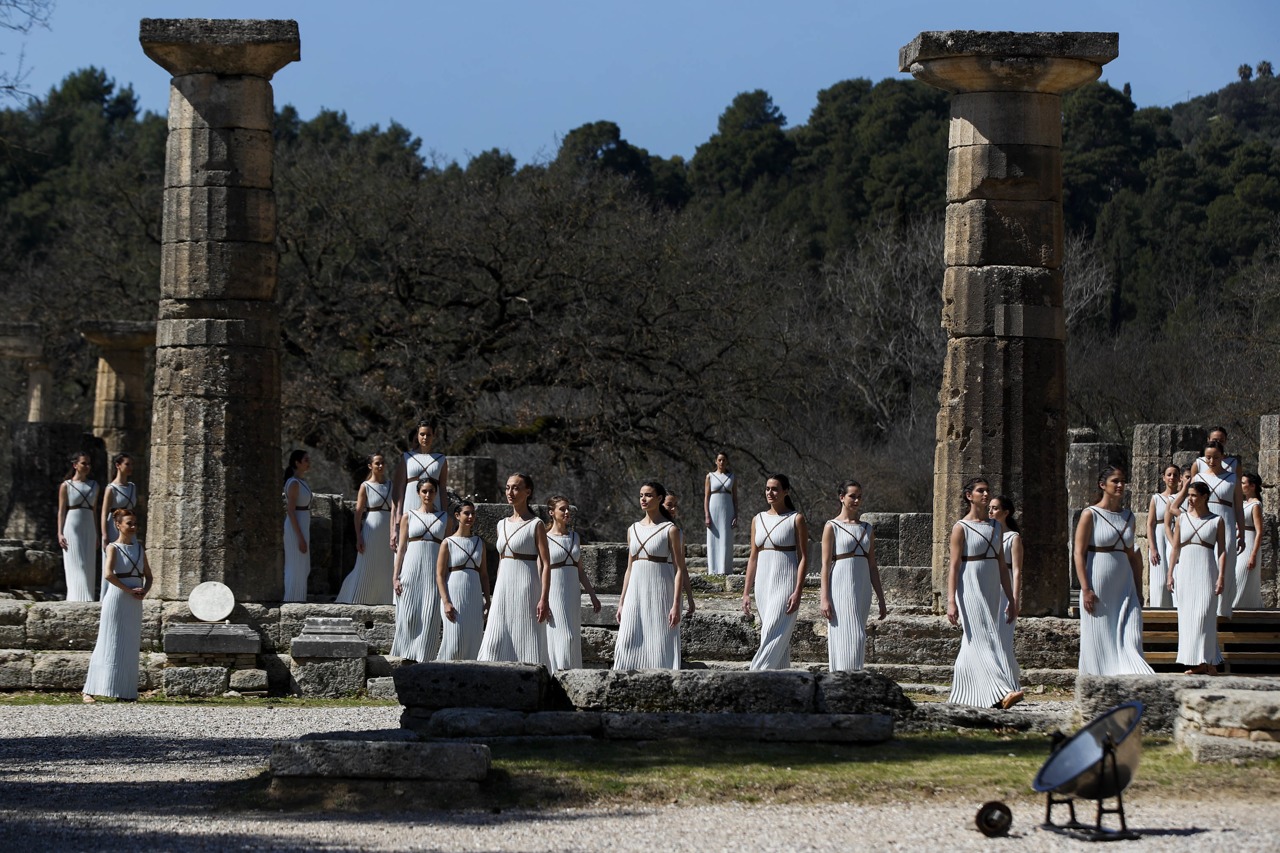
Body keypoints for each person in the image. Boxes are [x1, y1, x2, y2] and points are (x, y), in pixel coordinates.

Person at [946, 477, 1023, 708]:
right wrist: (951, 600)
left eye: (988, 491)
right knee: (982, 637)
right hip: (969, 584)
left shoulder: (996, 527)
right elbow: (954, 566)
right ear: (969, 496)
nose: (986, 494)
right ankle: (1003, 691)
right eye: (981, 491)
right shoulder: (961, 527)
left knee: (975, 640)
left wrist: (1011, 598)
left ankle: (964, 695)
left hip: (991, 587)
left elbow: (1002, 565)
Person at [1075, 464, 1154, 676]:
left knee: (1132, 634)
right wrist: (1085, 589)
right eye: (1115, 481)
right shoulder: (1090, 514)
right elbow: (1078, 553)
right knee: (1099, 636)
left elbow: (1133, 556)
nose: (1120, 485)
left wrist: (1139, 590)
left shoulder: (1129, 516)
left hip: (1124, 583)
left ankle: (1134, 677)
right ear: (1103, 485)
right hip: (1098, 581)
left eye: (1122, 481)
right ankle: (1099, 681)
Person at [479, 473, 552, 665]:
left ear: (527, 492)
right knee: (494, 639)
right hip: (503, 587)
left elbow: (545, 564)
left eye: (516, 488)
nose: (510, 492)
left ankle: (531, 676)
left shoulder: (536, 525)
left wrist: (544, 598)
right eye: (508, 487)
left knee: (527, 635)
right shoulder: (501, 524)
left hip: (527, 587)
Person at [614, 481, 687, 670]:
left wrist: (676, 604)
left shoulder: (670, 530)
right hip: (635, 595)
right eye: (641, 495)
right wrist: (622, 602)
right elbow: (629, 568)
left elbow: (679, 569)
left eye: (648, 495)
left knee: (660, 644)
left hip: (661, 593)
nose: (643, 499)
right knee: (627, 642)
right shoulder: (633, 529)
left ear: (659, 499)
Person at [82, 508, 151, 702]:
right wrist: (129, 590)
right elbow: (108, 574)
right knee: (107, 641)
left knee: (129, 644)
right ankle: (89, 690)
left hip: (135, 602)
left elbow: (149, 576)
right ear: (118, 525)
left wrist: (144, 591)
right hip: (117, 599)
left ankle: (124, 691)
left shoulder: (139, 548)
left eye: (135, 523)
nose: (133, 527)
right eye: (129, 523)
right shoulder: (112, 547)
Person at [820, 480, 887, 672]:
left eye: (859, 496)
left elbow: (872, 565)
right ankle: (840, 679)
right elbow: (825, 564)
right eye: (852, 496)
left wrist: (881, 599)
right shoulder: (831, 526)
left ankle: (854, 679)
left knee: (858, 636)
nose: (856, 500)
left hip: (862, 586)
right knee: (842, 635)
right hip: (840, 584)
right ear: (842, 497)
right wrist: (824, 598)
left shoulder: (867, 528)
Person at [743, 474, 808, 671]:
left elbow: (804, 557)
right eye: (767, 489)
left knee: (773, 631)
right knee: (771, 634)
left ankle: (753, 678)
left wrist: (798, 590)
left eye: (775, 489)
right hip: (763, 584)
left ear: (785, 491)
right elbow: (753, 557)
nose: (770, 493)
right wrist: (746, 592)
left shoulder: (796, 519)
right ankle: (780, 686)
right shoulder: (758, 519)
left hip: (786, 581)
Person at [1172, 440, 1244, 618]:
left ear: (1223, 456)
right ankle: (1202, 609)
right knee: (1205, 565)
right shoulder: (1198, 478)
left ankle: (1223, 611)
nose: (1212, 461)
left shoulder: (1233, 478)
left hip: (1225, 520)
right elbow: (1186, 504)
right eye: (1208, 457)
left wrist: (1241, 532)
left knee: (1226, 565)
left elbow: (1239, 507)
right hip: (1203, 522)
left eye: (1216, 457)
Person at [390, 477, 452, 662]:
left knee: (430, 615)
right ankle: (403, 657)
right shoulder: (409, 516)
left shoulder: (445, 519)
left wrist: (448, 578)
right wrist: (395, 577)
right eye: (424, 491)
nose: (428, 495)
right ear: (418, 493)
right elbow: (401, 549)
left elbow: (449, 550)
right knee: (408, 615)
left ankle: (425, 659)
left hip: (433, 571)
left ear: (436, 493)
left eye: (431, 491)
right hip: (411, 568)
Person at [1167, 481, 1226, 675]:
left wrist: (1221, 576)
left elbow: (1222, 551)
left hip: (1207, 571)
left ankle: (1209, 660)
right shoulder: (1182, 519)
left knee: (1204, 616)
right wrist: (1170, 574)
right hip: (1185, 571)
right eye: (1189, 495)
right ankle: (1197, 662)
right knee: (1188, 618)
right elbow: (1175, 547)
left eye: (1193, 495)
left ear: (1204, 496)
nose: (1190, 499)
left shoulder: (1217, 520)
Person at [543, 495, 602, 671]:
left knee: (572, 635)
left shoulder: (575, 537)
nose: (567, 512)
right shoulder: (544, 538)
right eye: (562, 509)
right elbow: (540, 570)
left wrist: (592, 595)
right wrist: (542, 599)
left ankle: (571, 674)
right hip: (554, 591)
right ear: (551, 512)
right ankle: (557, 673)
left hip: (572, 592)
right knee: (563, 636)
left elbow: (580, 570)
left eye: (568, 508)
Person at [335, 453, 395, 604]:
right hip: (371, 529)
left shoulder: (390, 485)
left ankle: (385, 599)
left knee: (386, 564)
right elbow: (358, 513)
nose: (380, 466)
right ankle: (359, 598)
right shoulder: (365, 486)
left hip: (387, 530)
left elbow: (396, 510)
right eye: (377, 464)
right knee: (366, 564)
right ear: (370, 466)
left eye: (382, 463)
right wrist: (358, 536)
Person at [436, 500, 490, 661]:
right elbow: (439, 574)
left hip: (474, 596)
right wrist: (446, 602)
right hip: (454, 594)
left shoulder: (479, 543)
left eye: (473, 513)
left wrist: (487, 600)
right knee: (454, 641)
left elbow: (484, 575)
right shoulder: (448, 543)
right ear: (457, 516)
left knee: (474, 640)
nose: (470, 516)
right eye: (467, 513)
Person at [392, 420, 448, 548]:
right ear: (417, 435)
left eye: (428, 434)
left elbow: (443, 488)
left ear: (434, 436)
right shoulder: (407, 457)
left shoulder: (441, 459)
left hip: (434, 503)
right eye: (422, 434)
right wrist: (399, 513)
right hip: (410, 502)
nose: (425, 438)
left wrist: (445, 513)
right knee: (406, 543)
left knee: (432, 541)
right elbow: (400, 487)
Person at [989, 494, 1024, 688]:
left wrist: (1015, 599)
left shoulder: (1014, 538)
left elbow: (1017, 571)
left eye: (995, 508)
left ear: (1006, 512)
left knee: (1003, 637)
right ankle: (993, 683)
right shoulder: (989, 534)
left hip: (1006, 589)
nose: (991, 511)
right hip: (990, 586)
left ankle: (1009, 683)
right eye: (990, 508)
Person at [57, 451, 99, 602]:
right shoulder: (66, 485)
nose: (87, 466)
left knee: (88, 565)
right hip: (72, 526)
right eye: (84, 463)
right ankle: (78, 598)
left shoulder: (94, 485)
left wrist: (97, 533)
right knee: (77, 563)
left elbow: (94, 511)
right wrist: (60, 533)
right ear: (75, 465)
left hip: (89, 526)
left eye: (89, 463)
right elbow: (61, 511)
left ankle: (88, 598)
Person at [99, 452, 139, 599]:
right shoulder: (111, 488)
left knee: (130, 556)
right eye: (127, 464)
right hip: (114, 526)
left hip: (129, 526)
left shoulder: (132, 487)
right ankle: (108, 595)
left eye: (132, 465)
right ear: (118, 465)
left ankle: (129, 590)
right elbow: (104, 512)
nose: (130, 468)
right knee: (112, 558)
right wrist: (104, 535)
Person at [1145, 464, 1180, 608]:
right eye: (1169, 474)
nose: (1172, 477)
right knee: (1159, 582)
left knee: (1176, 578)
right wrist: (1152, 548)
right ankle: (1158, 612)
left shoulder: (1183, 498)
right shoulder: (1156, 498)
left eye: (1175, 475)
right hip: (1159, 539)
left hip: (1176, 537)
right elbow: (1150, 524)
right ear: (1164, 478)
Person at [282, 450, 312, 603]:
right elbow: (291, 511)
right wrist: (300, 537)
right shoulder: (293, 483)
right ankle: (291, 600)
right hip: (296, 527)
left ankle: (299, 599)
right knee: (295, 565)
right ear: (297, 463)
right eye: (306, 460)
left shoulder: (301, 482)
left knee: (303, 566)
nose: (309, 462)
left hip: (302, 525)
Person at [661, 491, 697, 617]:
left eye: (675, 505)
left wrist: (690, 596)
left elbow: (682, 567)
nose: (673, 509)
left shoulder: (679, 533)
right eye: (669, 505)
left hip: (672, 582)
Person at [703, 452, 738, 576]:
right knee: (713, 538)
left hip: (728, 509)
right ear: (716, 461)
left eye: (724, 460)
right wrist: (707, 514)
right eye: (719, 460)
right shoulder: (710, 476)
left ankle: (725, 568)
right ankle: (713, 569)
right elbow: (706, 497)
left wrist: (736, 515)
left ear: (727, 461)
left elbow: (735, 498)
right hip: (714, 509)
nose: (722, 462)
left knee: (726, 538)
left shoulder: (732, 476)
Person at [1235, 472, 1265, 610]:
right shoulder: (1242, 503)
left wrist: (1253, 555)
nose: (1240, 485)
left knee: (1242, 575)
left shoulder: (1255, 505)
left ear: (1252, 486)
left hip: (1250, 545)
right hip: (1239, 543)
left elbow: (1259, 532)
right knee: (1235, 577)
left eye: (1243, 483)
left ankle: (1244, 609)